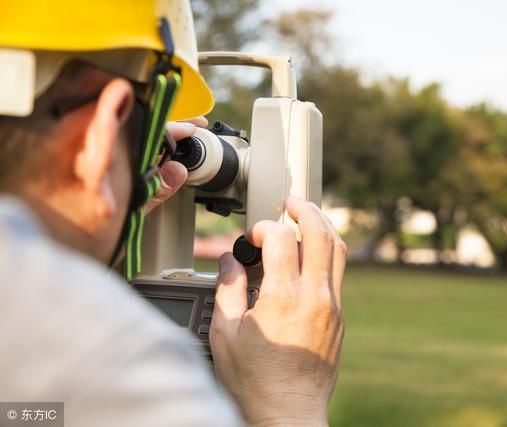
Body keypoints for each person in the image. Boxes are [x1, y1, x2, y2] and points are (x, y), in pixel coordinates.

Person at [0, 1, 346, 426]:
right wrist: (289, 403)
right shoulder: (112, 366)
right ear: (99, 135)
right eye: (147, 144)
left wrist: (81, 231)